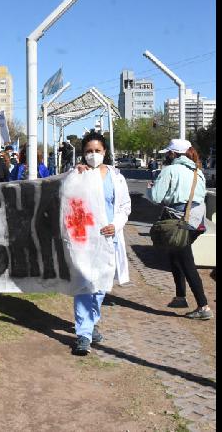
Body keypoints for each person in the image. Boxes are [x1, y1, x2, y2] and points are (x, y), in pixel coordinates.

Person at [71, 131, 131, 355]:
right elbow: (67, 202)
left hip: (109, 239)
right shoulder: (78, 174)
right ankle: (83, 334)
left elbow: (125, 206)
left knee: (101, 288)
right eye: (88, 152)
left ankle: (91, 322)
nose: (93, 155)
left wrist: (115, 225)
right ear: (82, 154)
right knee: (84, 285)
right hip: (85, 241)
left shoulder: (116, 177)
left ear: (105, 152)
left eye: (97, 151)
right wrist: (75, 175)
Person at [147, 139, 212, 320]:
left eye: (168, 153)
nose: (167, 156)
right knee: (175, 254)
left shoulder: (169, 170)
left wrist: (149, 190)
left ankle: (203, 306)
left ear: (173, 154)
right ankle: (180, 296)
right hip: (196, 220)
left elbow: (156, 197)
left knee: (186, 261)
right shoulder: (197, 171)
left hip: (179, 220)